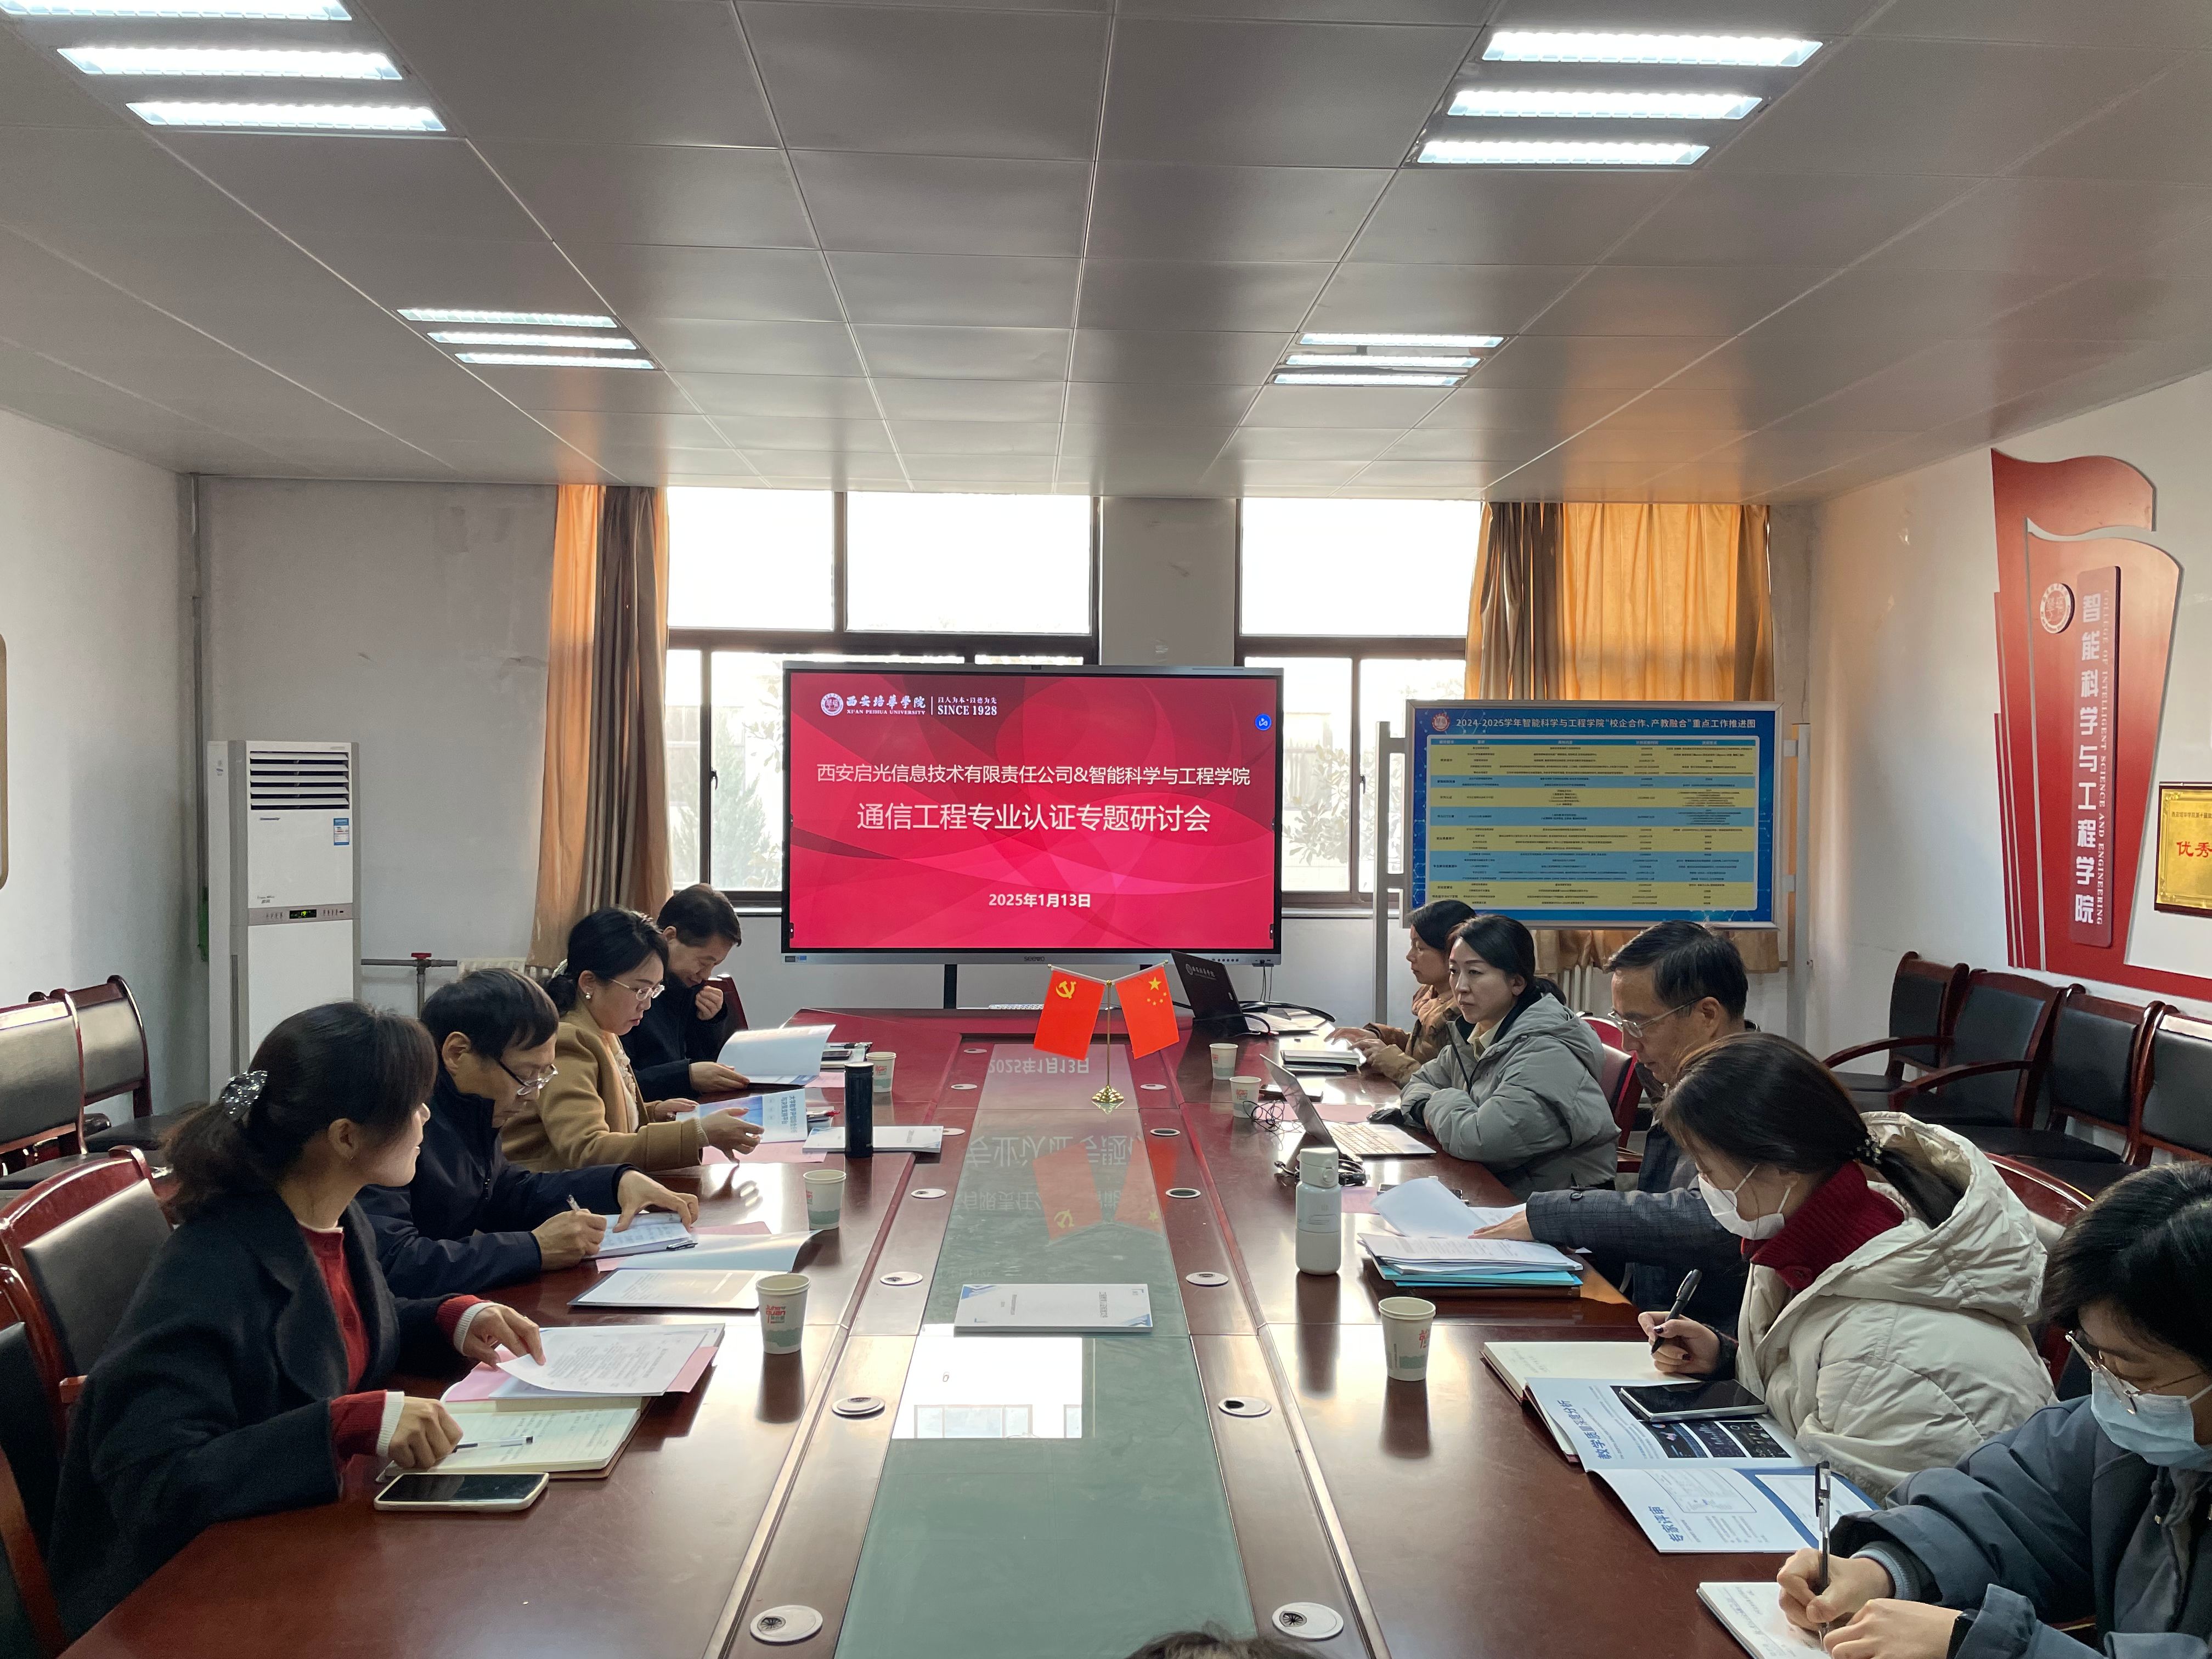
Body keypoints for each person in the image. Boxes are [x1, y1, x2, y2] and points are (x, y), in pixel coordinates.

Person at [45, 1002, 545, 1635]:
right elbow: (156, 1482)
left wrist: (451, 1318)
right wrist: (340, 1427)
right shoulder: (209, 1268)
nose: (426, 1118)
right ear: (346, 1137)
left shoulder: (334, 1214)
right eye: (413, 1106)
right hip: (192, 1599)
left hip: (294, 1541)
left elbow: (335, 1330)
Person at [1778, 1163, 2212, 1659]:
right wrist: (1886, 1569)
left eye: (2136, 1372)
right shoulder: (2122, 1434)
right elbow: (2015, 1510)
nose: (2112, 1390)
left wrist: (1987, 1647)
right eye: (2095, 1358)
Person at [1639, 1032, 2055, 1498]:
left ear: (1781, 1164)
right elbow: (1827, 1389)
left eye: (1707, 1169)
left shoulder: (1892, 1351)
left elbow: (1846, 1518)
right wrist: (1728, 1359)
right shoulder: (1811, 1239)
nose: (1705, 1185)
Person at [1477, 920, 1749, 1331]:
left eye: (1639, 1024)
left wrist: (1561, 1213)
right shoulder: (1690, 1076)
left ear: (1707, 1015)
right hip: (1658, 1315)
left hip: (1713, 1335)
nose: (1627, 1044)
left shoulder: (1754, 1094)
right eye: (1621, 1023)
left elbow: (1715, 1222)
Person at [360, 968, 701, 1296]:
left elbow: (506, 1193)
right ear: (457, 1053)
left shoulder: (469, 1108)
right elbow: (393, 1263)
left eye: (543, 1076)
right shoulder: (393, 1122)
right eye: (526, 1076)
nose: (534, 1096)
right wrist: (534, 1248)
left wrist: (616, 1182)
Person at [501, 906, 763, 1173]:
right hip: (551, 1191)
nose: (647, 1004)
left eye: (654, 990)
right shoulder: (568, 1041)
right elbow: (587, 1150)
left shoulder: (603, 1027)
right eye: (640, 990)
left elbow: (607, 1114)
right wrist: (698, 1133)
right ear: (589, 983)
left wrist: (653, 1112)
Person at [1381, 913, 1618, 1197]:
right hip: (1501, 1186)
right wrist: (1450, 1107)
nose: (1460, 987)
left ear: (1517, 982)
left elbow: (1478, 1138)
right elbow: (1420, 1081)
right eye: (1454, 971)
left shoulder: (1547, 1053)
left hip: (1556, 1204)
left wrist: (1432, 1103)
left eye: (1475, 972)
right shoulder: (1482, 1031)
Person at [626, 883, 749, 1103]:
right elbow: (621, 1083)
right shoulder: (629, 990)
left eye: (715, 965)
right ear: (669, 937)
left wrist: (708, 1023)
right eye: (703, 962)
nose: (706, 975)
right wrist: (687, 1076)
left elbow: (706, 1065)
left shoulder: (689, 988)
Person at [1331, 898, 1474, 1085]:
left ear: (1452, 953)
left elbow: (1445, 1085)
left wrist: (1392, 1060)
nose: (1410, 956)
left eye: (1420, 947)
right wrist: (1380, 1037)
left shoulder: (1466, 1011)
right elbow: (1425, 1049)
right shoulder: (1435, 995)